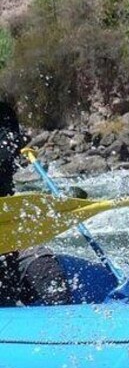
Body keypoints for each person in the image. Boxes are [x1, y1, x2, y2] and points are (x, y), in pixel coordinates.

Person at [0, 101, 71, 306]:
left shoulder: (3, 115)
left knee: (48, 271)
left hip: (9, 230)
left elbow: (6, 154)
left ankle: (67, 326)